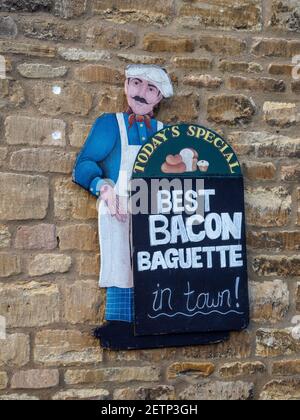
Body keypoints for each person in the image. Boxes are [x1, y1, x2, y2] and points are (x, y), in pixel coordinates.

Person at [73, 64, 228, 349]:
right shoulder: (110, 125)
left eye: (151, 89)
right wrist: (104, 188)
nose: (141, 93)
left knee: (159, 260)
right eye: (135, 84)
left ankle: (161, 318)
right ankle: (120, 325)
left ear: (159, 99)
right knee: (121, 261)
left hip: (155, 205)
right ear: (126, 86)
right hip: (119, 202)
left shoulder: (165, 133)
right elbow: (84, 165)